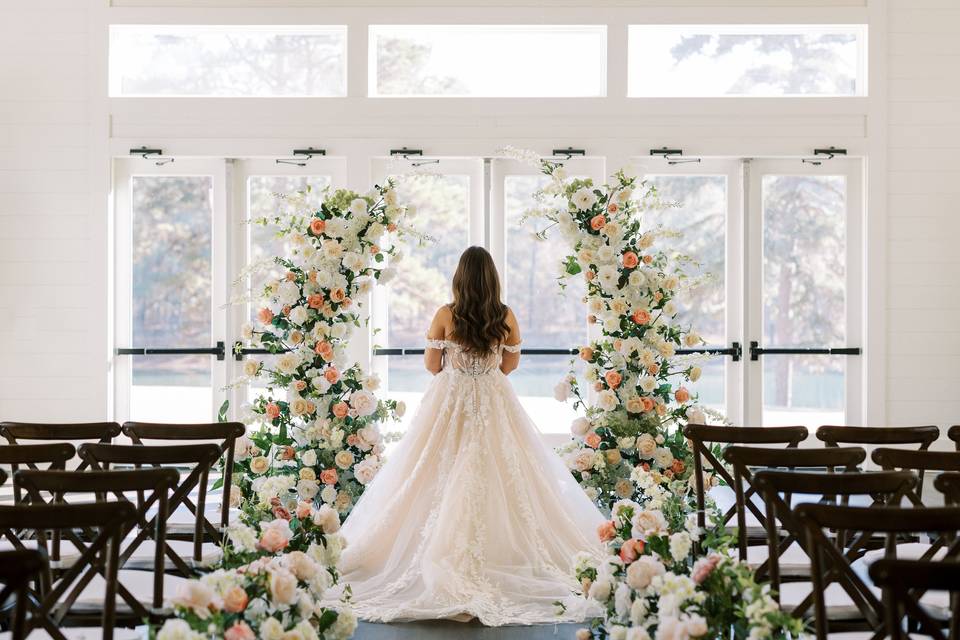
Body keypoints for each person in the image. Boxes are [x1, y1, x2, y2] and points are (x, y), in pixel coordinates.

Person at [336, 246, 604, 625]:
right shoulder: (505, 315)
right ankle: (507, 555)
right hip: (495, 399)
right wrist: (485, 376)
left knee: (431, 472)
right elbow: (510, 363)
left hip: (451, 399)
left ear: (460, 278)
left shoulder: (446, 314)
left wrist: (459, 375)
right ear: (492, 279)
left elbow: (432, 365)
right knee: (508, 472)